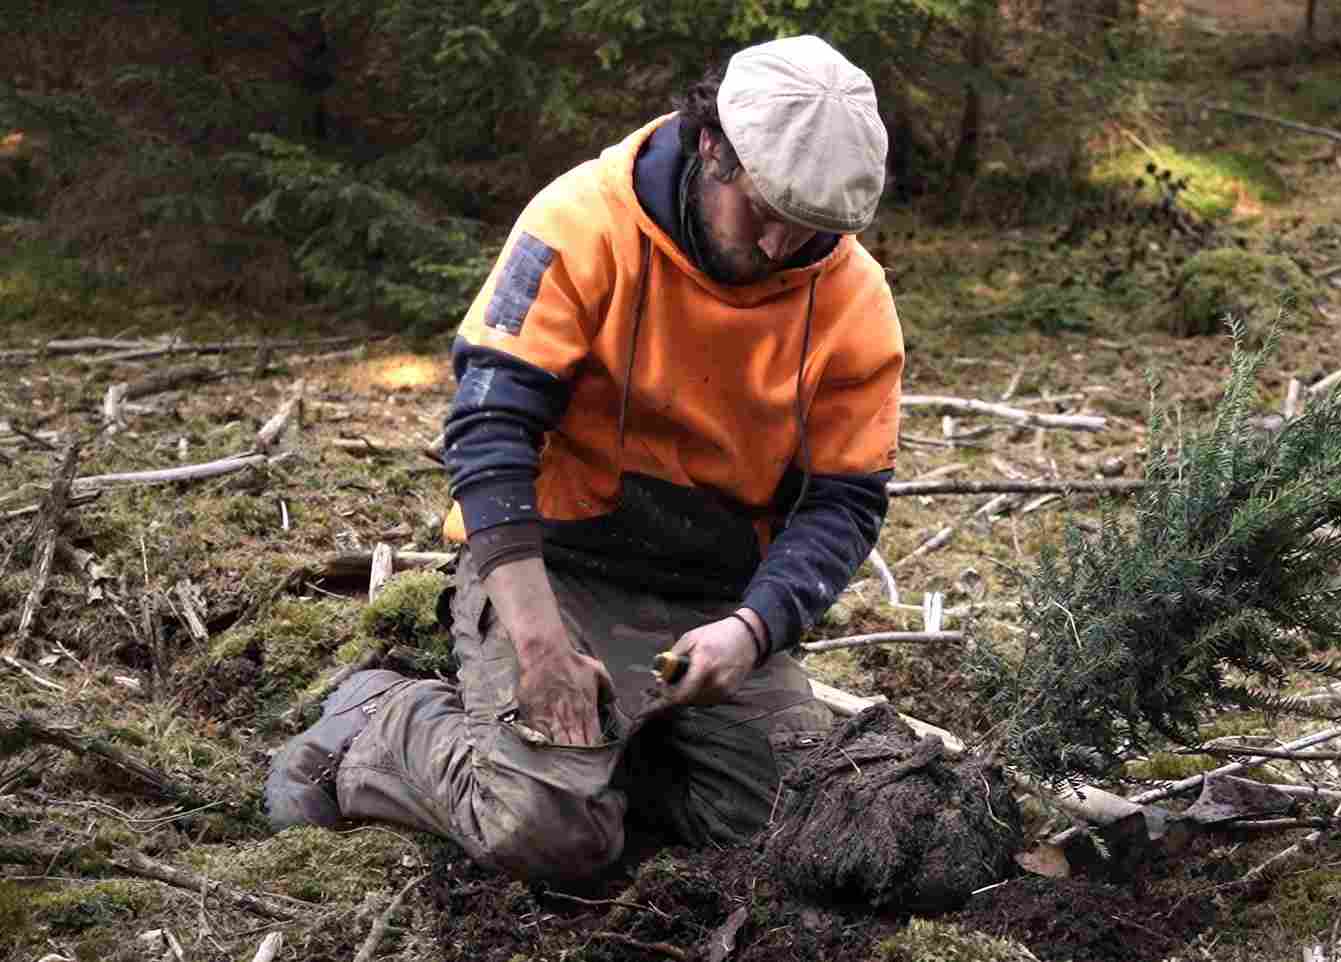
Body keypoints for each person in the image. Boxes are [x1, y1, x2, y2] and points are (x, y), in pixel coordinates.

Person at [264, 35, 902, 880]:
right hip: (555, 572)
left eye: (814, 227)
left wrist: (754, 631)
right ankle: (377, 725)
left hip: (713, 604)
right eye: (764, 210)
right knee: (547, 832)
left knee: (794, 835)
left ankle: (618, 754)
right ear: (712, 145)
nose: (783, 245)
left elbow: (844, 502)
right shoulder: (581, 223)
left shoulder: (853, 298)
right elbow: (490, 433)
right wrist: (539, 649)